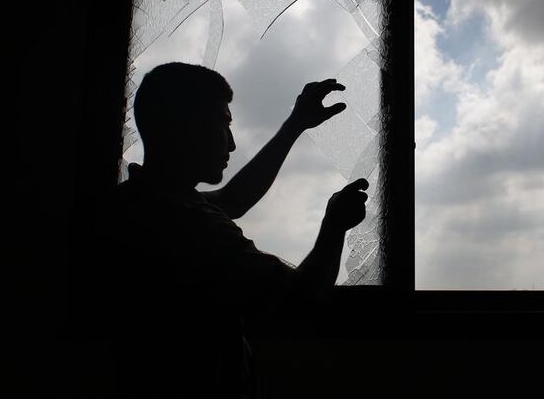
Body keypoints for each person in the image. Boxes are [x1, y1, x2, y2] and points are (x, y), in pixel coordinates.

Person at [79, 62, 368, 398]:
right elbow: (300, 301)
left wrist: (295, 124)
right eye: (222, 124)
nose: (231, 144)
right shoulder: (188, 225)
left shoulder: (133, 203)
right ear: (184, 128)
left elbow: (234, 198)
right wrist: (335, 226)